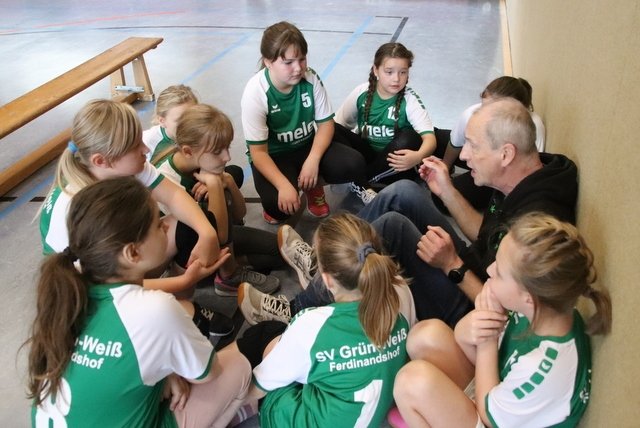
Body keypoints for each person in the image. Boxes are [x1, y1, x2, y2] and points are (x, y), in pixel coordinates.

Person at [27, 177, 253, 428]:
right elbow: (207, 373)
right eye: (158, 224)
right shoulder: (154, 308)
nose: (166, 226)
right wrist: (170, 372)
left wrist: (165, 375)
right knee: (243, 359)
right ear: (132, 252)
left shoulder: (66, 296)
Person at [357, 97, 578, 325]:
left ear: (506, 154)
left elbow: (510, 317)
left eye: (473, 145)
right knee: (404, 191)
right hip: (475, 264)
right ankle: (338, 245)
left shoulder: (538, 224)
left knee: (393, 227)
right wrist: (447, 191)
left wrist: (452, 264)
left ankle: (334, 284)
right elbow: (487, 236)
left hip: (477, 307)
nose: (463, 155)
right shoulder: (521, 177)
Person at [391, 213, 612, 428]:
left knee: (409, 382)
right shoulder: (545, 309)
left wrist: (486, 342)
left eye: (499, 272)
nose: (489, 270)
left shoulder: (544, 366)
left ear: (528, 296)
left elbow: (488, 414)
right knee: (425, 335)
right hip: (499, 397)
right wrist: (470, 329)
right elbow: (490, 358)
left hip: (492, 412)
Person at [39, 99, 232, 336]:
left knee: (192, 224)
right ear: (101, 160)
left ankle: (181, 305)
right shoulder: (77, 208)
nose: (146, 150)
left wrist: (207, 233)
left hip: (114, 267)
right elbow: (100, 288)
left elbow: (174, 196)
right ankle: (170, 308)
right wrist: (183, 281)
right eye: (135, 146)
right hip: (87, 295)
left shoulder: (119, 165)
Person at [237, 213, 414, 427]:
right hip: (372, 411)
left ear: (327, 280)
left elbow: (260, 385)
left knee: (266, 334)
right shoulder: (400, 291)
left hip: (308, 419)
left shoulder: (311, 325)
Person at [241, 21, 370, 225]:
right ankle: (292, 184)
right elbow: (258, 153)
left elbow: (326, 125)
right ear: (268, 62)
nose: (298, 68)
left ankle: (313, 186)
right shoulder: (255, 92)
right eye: (288, 62)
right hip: (275, 155)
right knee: (278, 208)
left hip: (306, 145)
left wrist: (313, 161)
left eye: (302, 59)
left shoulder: (310, 78)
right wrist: (283, 185)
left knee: (353, 164)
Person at [155, 103, 282, 296]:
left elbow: (239, 214)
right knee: (276, 253)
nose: (227, 156)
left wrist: (228, 181)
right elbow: (219, 236)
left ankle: (234, 263)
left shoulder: (200, 161)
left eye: (227, 148)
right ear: (188, 151)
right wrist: (214, 184)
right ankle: (227, 277)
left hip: (218, 238)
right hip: (194, 259)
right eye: (217, 151)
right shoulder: (169, 183)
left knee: (281, 252)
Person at [334, 42, 436, 193]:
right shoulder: (362, 92)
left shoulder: (410, 100)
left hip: (395, 165)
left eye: (403, 72)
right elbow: (339, 125)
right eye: (389, 72)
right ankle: (363, 179)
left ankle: (361, 182)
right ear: (376, 70)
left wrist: (417, 156)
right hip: (368, 156)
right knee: (330, 128)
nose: (396, 79)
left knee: (410, 137)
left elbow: (430, 139)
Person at [437, 76, 546, 211]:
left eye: (491, 109)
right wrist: (445, 167)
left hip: (497, 172)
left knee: (440, 198)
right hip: (481, 159)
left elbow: (527, 174)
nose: (482, 112)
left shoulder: (534, 126)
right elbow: (455, 143)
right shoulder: (472, 114)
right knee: (435, 139)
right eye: (483, 106)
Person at [144, 84, 244, 187]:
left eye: (193, 115)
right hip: (175, 183)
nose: (190, 122)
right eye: (181, 120)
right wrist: (213, 185)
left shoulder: (197, 132)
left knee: (235, 172)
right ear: (162, 121)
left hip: (195, 170)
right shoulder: (150, 143)